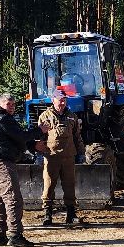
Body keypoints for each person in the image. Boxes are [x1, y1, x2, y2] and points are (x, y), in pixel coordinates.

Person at [0, 92, 44, 247]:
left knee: (1, 200)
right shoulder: (2, 119)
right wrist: (39, 130)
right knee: (13, 199)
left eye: (13, 104)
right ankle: (15, 235)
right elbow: (21, 137)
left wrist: (31, 146)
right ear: (0, 104)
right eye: (8, 104)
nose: (11, 107)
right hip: (2, 164)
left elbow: (12, 139)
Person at [37, 88, 85, 226]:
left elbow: (77, 136)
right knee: (49, 186)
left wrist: (81, 153)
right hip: (51, 157)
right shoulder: (45, 116)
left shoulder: (72, 116)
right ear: (53, 100)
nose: (62, 103)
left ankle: (71, 215)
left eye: (64, 100)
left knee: (69, 186)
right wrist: (39, 154)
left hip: (69, 157)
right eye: (60, 100)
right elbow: (40, 138)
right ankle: (47, 215)